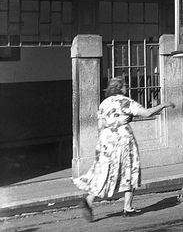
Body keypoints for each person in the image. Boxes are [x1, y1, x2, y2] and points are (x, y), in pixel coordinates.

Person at [74, 77, 175, 221]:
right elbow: (147, 113)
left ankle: (89, 200)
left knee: (106, 172)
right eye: (125, 86)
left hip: (106, 140)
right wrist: (163, 105)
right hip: (123, 139)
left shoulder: (104, 103)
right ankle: (128, 207)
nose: (126, 88)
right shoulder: (125, 101)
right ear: (120, 87)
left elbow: (100, 126)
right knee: (129, 169)